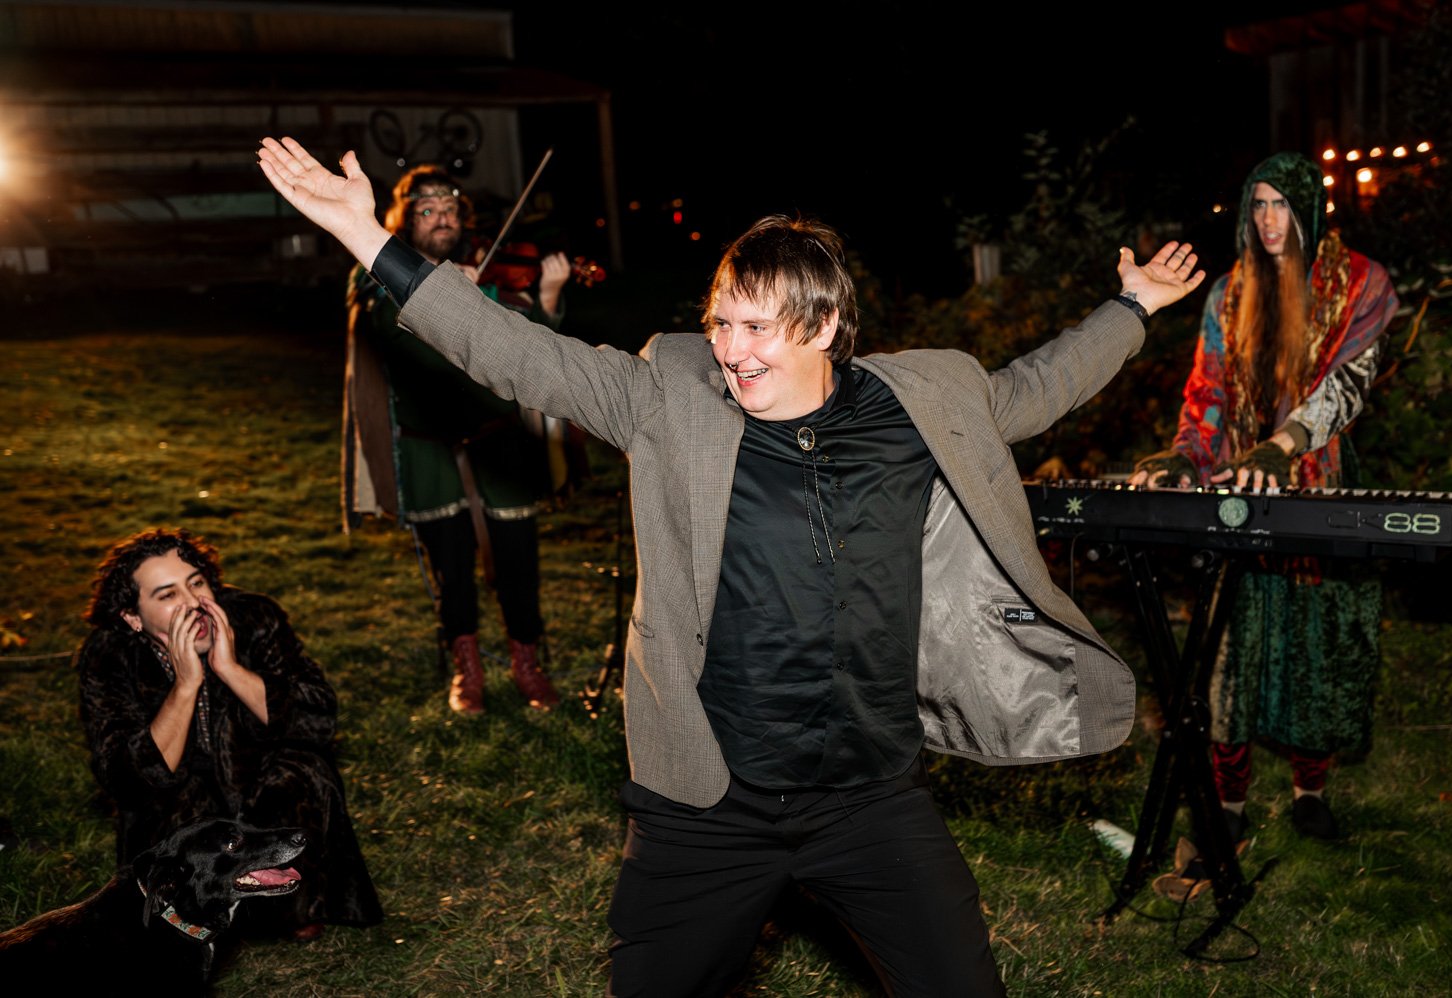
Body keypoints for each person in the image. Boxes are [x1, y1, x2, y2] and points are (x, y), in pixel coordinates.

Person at [259, 136, 1204, 995]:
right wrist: (367, 240)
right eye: (720, 323)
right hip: (709, 804)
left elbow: (1040, 385)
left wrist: (1133, 307)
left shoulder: (922, 401)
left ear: (825, 325)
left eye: (755, 328)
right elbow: (518, 356)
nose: (729, 349)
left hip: (870, 797)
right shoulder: (671, 398)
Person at [1130, 151, 1399, 842]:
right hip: (1236, 493)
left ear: (1308, 209)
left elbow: (1344, 387)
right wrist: (1184, 455)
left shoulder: (1360, 285)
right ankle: (1229, 806)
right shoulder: (1228, 293)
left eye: (1281, 204)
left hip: (1316, 484)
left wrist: (1282, 448)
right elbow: (1208, 393)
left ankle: (1311, 792)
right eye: (1258, 205)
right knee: (1231, 653)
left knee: (1317, 647)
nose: (1268, 219)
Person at [75, 528, 383, 941]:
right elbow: (128, 779)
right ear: (133, 617)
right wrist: (185, 686)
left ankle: (297, 903)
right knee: (170, 802)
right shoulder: (109, 655)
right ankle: (198, 913)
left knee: (303, 768)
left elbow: (317, 719)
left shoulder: (255, 617)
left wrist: (230, 670)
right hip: (185, 805)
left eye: (196, 583)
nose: (191, 604)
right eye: (167, 595)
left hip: (257, 786)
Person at [344, 163, 567, 712]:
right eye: (428, 210)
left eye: (450, 209)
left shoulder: (485, 274)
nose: (442, 218)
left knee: (519, 559)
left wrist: (551, 299)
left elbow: (538, 351)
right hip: (427, 446)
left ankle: (526, 659)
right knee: (451, 566)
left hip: (498, 440)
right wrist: (437, 293)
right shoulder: (377, 272)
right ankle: (466, 666)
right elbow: (376, 318)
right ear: (405, 219)